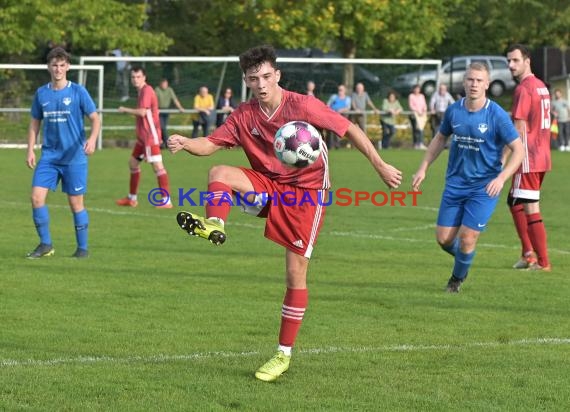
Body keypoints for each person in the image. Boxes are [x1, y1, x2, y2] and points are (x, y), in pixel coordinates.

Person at [168, 45, 402, 382]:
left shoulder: (302, 105)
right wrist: (187, 143)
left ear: (277, 75)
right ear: (247, 81)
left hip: (306, 195)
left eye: (266, 76)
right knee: (219, 172)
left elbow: (347, 128)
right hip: (269, 184)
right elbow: (211, 144)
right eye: (253, 78)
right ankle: (214, 223)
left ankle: (283, 354)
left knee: (295, 274)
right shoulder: (244, 114)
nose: (261, 84)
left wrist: (380, 165)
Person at [412, 62, 524, 293]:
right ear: (464, 82)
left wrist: (501, 177)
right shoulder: (454, 110)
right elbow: (439, 139)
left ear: (487, 84)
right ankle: (466, 255)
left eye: (479, 80)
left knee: (468, 237)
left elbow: (519, 149)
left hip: (484, 187)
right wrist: (423, 167)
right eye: (470, 80)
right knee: (443, 239)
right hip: (455, 184)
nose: (474, 84)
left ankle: (456, 279)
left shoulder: (497, 115)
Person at [25, 47, 101, 259]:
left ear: (68, 66)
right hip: (49, 157)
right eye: (54, 65)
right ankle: (45, 244)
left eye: (61, 65)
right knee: (36, 198)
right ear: (49, 67)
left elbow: (95, 118)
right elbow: (34, 123)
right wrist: (30, 149)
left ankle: (82, 249)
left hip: (74, 157)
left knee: (76, 203)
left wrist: (92, 139)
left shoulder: (78, 91)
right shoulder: (42, 93)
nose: (58, 69)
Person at [505, 44, 552, 271]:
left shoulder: (524, 88)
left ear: (527, 60)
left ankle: (541, 262)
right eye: (509, 61)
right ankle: (528, 254)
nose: (511, 65)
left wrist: (504, 158)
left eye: (515, 60)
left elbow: (518, 128)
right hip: (542, 154)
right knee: (514, 200)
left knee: (530, 206)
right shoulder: (541, 86)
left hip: (528, 157)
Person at [116, 66, 172, 209]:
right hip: (143, 138)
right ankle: (132, 199)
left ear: (144, 77)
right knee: (133, 163)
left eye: (138, 77)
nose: (135, 80)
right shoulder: (141, 91)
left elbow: (142, 112)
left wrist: (124, 110)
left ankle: (166, 200)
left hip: (150, 136)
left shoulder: (146, 90)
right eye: (133, 77)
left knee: (158, 166)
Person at [155, 78, 185, 148]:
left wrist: (180, 108)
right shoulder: (157, 89)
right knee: (162, 127)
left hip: (166, 110)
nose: (164, 85)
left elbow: (175, 99)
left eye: (166, 84)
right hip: (159, 110)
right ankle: (167, 143)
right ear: (160, 84)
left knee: (163, 127)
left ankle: (163, 144)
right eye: (163, 84)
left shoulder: (169, 90)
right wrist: (155, 108)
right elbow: (154, 100)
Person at [326, 84, 351, 149]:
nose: (340, 91)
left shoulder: (347, 99)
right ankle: (330, 146)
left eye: (341, 90)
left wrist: (341, 110)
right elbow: (327, 105)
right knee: (331, 132)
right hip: (332, 116)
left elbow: (348, 107)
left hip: (341, 117)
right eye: (339, 89)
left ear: (344, 90)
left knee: (338, 132)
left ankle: (337, 146)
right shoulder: (334, 97)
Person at [408, 85, 428, 150]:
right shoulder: (411, 96)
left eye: (418, 89)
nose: (417, 90)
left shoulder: (422, 96)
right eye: (416, 89)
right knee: (416, 129)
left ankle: (420, 143)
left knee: (421, 129)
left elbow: (424, 104)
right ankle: (416, 143)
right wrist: (417, 111)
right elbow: (411, 105)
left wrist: (424, 110)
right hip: (415, 115)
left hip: (422, 115)